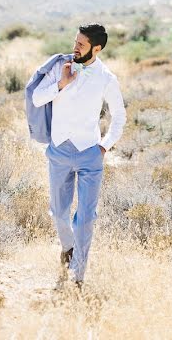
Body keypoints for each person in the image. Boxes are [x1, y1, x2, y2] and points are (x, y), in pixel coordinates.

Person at [31, 23, 126, 286]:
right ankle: (67, 248)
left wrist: (105, 145)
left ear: (96, 48)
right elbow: (37, 99)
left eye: (81, 44)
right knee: (59, 213)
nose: (75, 47)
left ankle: (77, 275)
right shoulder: (59, 68)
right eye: (75, 42)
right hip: (59, 151)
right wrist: (61, 83)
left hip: (89, 154)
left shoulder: (107, 78)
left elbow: (119, 116)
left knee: (85, 218)